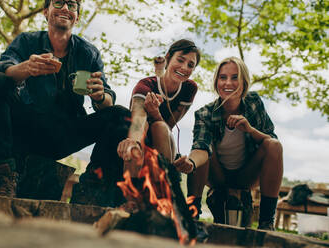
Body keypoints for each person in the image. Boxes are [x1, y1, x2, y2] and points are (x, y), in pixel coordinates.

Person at [0, 0, 130, 202]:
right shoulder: (26, 41)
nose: (66, 8)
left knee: (120, 115)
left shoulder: (89, 52)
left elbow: (107, 101)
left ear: (77, 16)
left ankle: (92, 186)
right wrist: (27, 68)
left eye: (72, 5)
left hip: (66, 133)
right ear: (45, 11)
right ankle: (2, 175)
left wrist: (101, 96)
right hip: (27, 128)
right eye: (58, 3)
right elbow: (4, 70)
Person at [173, 57, 283, 230]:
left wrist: (250, 130)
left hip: (246, 176)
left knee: (275, 145)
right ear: (216, 81)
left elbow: (271, 140)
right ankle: (192, 215)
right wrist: (190, 163)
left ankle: (266, 222)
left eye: (234, 77)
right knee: (203, 151)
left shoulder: (254, 103)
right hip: (217, 176)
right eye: (223, 77)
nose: (228, 83)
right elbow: (201, 145)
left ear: (244, 81)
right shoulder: (205, 113)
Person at [117, 39, 201, 171]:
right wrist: (135, 142)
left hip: (163, 141)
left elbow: (168, 126)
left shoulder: (189, 89)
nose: (184, 67)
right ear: (168, 57)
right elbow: (137, 121)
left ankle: (166, 183)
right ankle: (131, 185)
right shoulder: (145, 85)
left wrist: (156, 115)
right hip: (139, 136)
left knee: (160, 126)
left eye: (190, 65)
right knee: (139, 135)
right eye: (180, 60)